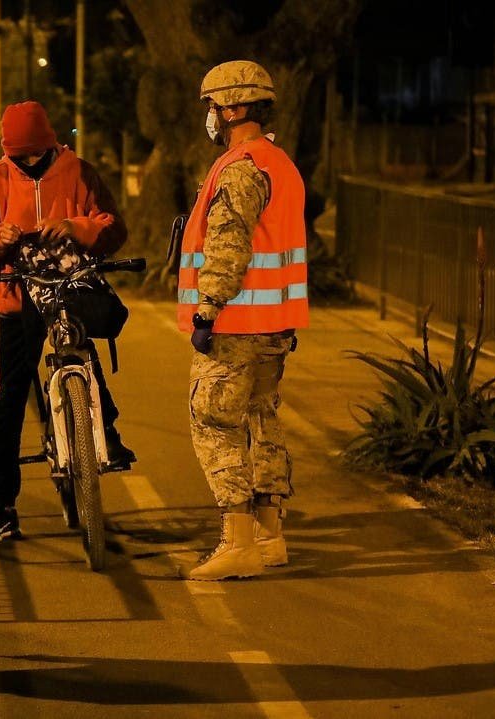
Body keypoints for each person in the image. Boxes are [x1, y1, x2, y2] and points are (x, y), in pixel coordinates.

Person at [0, 100, 134, 545]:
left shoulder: (81, 171)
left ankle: (106, 431)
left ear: (51, 143)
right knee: (10, 397)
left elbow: (114, 227)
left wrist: (79, 227)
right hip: (16, 298)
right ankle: (2, 508)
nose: (29, 163)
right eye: (20, 157)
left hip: (69, 290)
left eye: (37, 153)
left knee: (84, 356)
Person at [177, 61, 308, 581]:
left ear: (232, 109)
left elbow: (228, 248)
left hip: (235, 325)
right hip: (276, 325)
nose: (209, 118)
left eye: (212, 107)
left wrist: (207, 309)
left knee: (213, 422)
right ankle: (271, 535)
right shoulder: (280, 163)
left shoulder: (239, 169)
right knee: (261, 421)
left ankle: (238, 542)